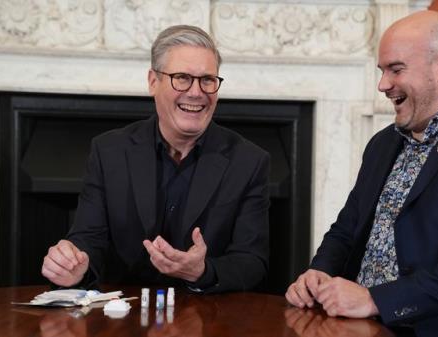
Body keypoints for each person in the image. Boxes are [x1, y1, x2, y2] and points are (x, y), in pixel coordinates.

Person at [285, 10, 438, 337]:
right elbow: (347, 229)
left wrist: (376, 299)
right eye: (382, 71)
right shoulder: (383, 143)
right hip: (362, 324)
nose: (383, 84)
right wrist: (318, 273)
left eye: (396, 69)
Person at [41, 25, 270, 293]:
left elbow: (253, 260)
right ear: (153, 81)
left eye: (207, 79)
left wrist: (203, 271)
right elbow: (88, 238)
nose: (196, 92)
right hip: (122, 316)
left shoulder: (249, 161)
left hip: (208, 317)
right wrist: (75, 266)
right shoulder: (109, 151)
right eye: (182, 77)